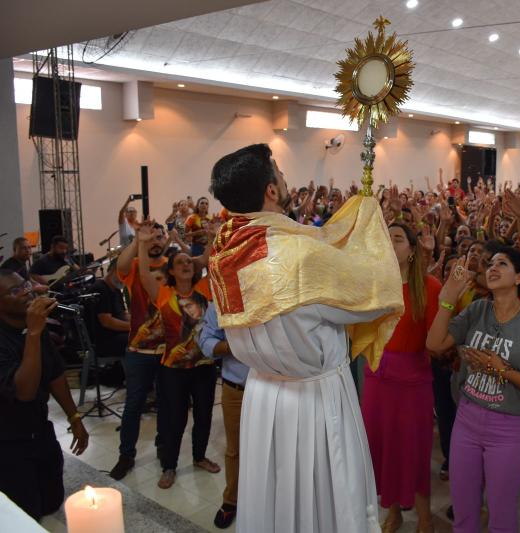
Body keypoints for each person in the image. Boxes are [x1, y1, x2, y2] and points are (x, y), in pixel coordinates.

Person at [208, 143, 403, 533]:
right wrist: (371, 236)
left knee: (275, 497)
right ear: (272, 191)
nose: (283, 175)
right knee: (325, 502)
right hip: (314, 398)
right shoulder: (298, 254)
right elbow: (371, 298)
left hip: (262, 395)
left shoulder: (222, 251)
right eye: (278, 170)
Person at [426, 248, 520, 533]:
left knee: (501, 513)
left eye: (503, 263)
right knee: (463, 510)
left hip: (509, 429)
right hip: (467, 419)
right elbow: (435, 344)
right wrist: (446, 303)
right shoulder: (477, 310)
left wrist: (502, 369)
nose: (492, 267)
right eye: (490, 264)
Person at [361, 223, 441, 533]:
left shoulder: (429, 286)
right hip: (377, 379)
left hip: (412, 382)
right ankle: (393, 512)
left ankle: (424, 518)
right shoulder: (376, 284)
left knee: (413, 452)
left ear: (411, 249)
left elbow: (436, 338)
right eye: (385, 237)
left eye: (397, 238)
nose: (390, 243)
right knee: (382, 448)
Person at [0, 270, 89, 520]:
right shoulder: (24, 332)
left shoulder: (32, 327)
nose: (28, 291)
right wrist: (34, 333)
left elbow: (55, 375)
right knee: (25, 512)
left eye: (26, 285)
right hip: (9, 441)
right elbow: (24, 392)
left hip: (40, 429)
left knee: (51, 500)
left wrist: (75, 417)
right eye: (15, 291)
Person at [135, 226, 218, 489]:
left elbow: (209, 259)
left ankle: (199, 457)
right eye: (179, 262)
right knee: (175, 419)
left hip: (204, 365)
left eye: (188, 262)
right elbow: (143, 272)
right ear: (170, 270)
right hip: (173, 369)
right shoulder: (162, 294)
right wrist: (142, 243)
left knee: (204, 415)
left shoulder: (205, 288)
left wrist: (214, 237)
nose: (185, 264)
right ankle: (169, 466)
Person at [108, 223, 168, 480]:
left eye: (158, 236)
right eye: (150, 237)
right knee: (134, 404)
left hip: (168, 350)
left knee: (167, 404)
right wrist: (137, 242)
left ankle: (164, 448)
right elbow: (119, 267)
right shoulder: (134, 267)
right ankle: (126, 454)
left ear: (165, 239)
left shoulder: (174, 267)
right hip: (138, 349)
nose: (155, 241)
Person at [199, 302, 249, 529]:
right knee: (235, 449)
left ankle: (271, 499)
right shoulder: (221, 300)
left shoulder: (274, 290)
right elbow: (206, 341)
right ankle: (231, 501)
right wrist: (233, 347)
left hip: (275, 388)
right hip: (236, 388)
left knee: (276, 449)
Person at [89, 262, 130, 358]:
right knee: (144, 339)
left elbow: (123, 315)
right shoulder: (100, 288)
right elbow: (107, 322)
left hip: (116, 334)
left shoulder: (115, 289)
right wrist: (134, 328)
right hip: (106, 340)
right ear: (112, 271)